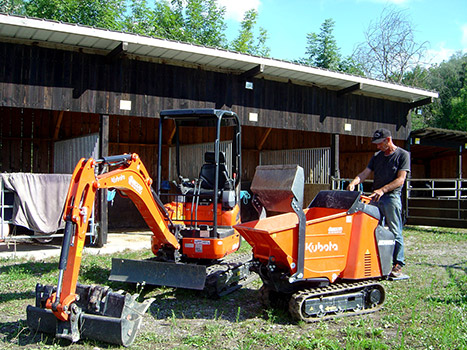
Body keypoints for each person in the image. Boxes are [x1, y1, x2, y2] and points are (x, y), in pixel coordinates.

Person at [346, 128, 410, 278]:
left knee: (395, 230)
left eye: (379, 143)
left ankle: (398, 263)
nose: (377, 146)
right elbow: (365, 173)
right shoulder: (377, 157)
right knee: (372, 229)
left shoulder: (402, 155)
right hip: (376, 197)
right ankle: (376, 261)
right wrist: (354, 182)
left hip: (391, 198)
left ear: (388, 140)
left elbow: (401, 180)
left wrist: (383, 190)